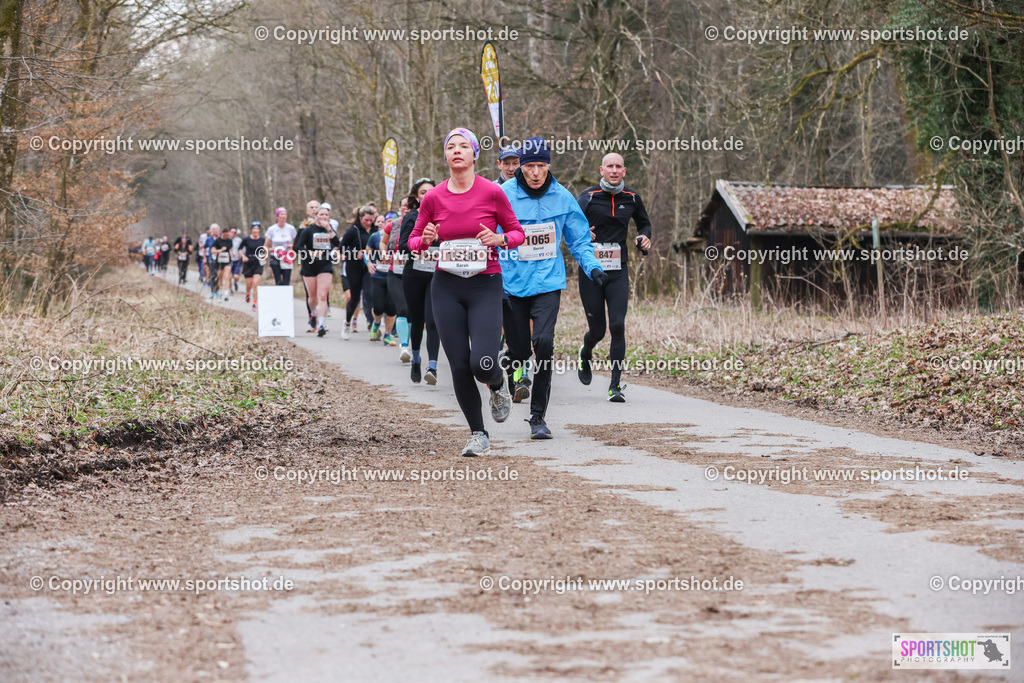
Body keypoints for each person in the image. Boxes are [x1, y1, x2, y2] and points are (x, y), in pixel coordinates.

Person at [408, 128, 525, 457]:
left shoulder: (492, 193)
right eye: (450, 147)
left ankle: (498, 384)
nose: (457, 151)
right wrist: (426, 239)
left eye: (463, 146)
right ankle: (478, 433)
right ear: (445, 157)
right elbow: (413, 244)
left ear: (475, 155)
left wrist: (500, 240)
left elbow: (517, 233)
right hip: (446, 286)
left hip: (485, 283)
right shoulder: (433, 198)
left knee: (482, 363)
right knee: (459, 365)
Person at [498, 137, 605, 439]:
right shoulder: (502, 195)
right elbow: (488, 235)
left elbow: (579, 238)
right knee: (519, 351)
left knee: (543, 344)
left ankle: (537, 418)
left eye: (541, 166)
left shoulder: (563, 197)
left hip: (547, 282)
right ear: (520, 166)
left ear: (548, 166)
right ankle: (510, 358)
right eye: (529, 166)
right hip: (511, 284)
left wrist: (592, 266)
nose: (534, 173)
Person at [576, 152, 652, 402]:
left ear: (625, 171)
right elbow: (570, 225)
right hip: (591, 271)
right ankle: (585, 353)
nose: (614, 170)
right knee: (597, 331)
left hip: (618, 270)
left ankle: (615, 385)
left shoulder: (631, 197)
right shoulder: (587, 197)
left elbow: (644, 224)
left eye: (619, 166)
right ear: (601, 169)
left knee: (617, 325)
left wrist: (644, 238)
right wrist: (582, 231)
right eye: (610, 166)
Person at [399, 178, 440, 384]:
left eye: (431, 191)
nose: (427, 195)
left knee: (434, 321)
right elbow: (402, 248)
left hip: (436, 275)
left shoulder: (444, 216)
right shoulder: (412, 217)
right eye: (423, 192)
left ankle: (432, 367)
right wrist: (423, 243)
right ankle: (416, 358)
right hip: (414, 275)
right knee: (418, 321)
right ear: (417, 196)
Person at [293, 206, 339, 336]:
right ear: (316, 216)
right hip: (309, 265)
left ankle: (321, 325)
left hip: (325, 265)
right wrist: (311, 253)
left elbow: (338, 244)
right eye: (321, 215)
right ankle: (313, 314)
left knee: (323, 296)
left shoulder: (330, 230)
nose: (324, 217)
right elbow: (297, 247)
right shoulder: (308, 230)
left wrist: (329, 229)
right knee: (312, 298)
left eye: (326, 215)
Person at [381, 200, 411, 362]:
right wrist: (384, 253)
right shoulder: (393, 225)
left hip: (414, 273)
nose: (406, 208)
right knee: (402, 309)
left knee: (412, 312)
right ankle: (404, 346)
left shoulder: (421, 223)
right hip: (395, 272)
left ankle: (409, 343)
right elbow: (383, 242)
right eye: (404, 205)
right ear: (400, 208)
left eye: (410, 205)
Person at [339, 206, 376, 339]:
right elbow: (341, 248)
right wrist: (355, 253)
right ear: (360, 218)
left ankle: (373, 326)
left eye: (371, 220)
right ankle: (347, 323)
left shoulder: (375, 230)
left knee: (369, 294)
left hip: (368, 267)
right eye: (366, 220)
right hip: (353, 266)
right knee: (354, 298)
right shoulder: (353, 231)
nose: (368, 222)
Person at [366, 223, 397, 345]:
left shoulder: (403, 235)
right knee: (378, 307)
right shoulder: (376, 236)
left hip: (395, 276)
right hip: (378, 276)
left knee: (392, 308)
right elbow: (366, 253)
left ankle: (387, 335)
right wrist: (368, 263)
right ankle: (376, 324)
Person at [265, 208, 296, 286]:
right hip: (275, 256)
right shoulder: (272, 229)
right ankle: (279, 296)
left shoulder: (291, 228)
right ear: (278, 216)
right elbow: (265, 245)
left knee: (286, 281)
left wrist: (292, 245)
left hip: (287, 256)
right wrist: (267, 250)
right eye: (282, 214)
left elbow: (297, 242)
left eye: (285, 214)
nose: (284, 216)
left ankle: (286, 297)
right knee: (278, 281)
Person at [241, 222, 266, 310]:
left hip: (258, 263)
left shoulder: (262, 240)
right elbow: (239, 249)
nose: (255, 230)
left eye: (257, 229)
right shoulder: (247, 239)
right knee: (249, 284)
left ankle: (254, 303)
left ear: (259, 230)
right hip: (248, 263)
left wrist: (265, 253)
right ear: (251, 230)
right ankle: (248, 293)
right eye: (254, 229)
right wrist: (243, 256)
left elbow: (266, 249)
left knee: (256, 283)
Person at [209, 225, 233, 302]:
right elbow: (212, 251)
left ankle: (226, 294)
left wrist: (233, 253)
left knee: (227, 276)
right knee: (220, 278)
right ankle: (220, 293)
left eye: (228, 235)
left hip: (227, 261)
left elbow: (231, 248)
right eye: (225, 235)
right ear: (222, 233)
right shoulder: (217, 241)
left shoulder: (229, 241)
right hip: (219, 262)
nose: (226, 237)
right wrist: (220, 250)